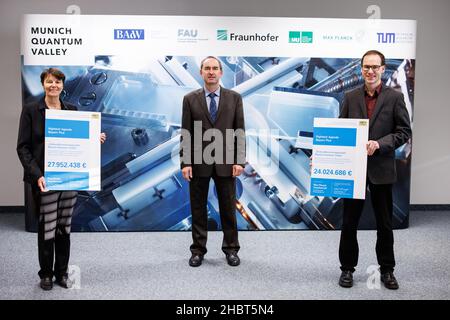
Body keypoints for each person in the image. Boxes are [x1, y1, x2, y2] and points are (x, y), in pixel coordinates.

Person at [17, 68, 106, 290]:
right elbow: (23, 148)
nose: (53, 85)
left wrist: (94, 139)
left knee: (63, 228)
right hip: (45, 180)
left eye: (57, 82)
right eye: (49, 82)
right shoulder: (31, 110)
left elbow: (79, 143)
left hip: (69, 178)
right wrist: (37, 175)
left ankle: (62, 273)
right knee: (47, 227)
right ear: (43, 84)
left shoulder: (71, 110)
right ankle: (46, 274)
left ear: (63, 85)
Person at [337, 50, 411, 289]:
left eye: (374, 67)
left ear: (382, 69)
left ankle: (387, 270)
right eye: (366, 67)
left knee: (384, 223)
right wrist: (322, 157)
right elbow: (339, 134)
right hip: (353, 171)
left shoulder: (394, 98)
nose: (370, 71)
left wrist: (380, 144)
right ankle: (347, 269)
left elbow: (404, 132)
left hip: (381, 168)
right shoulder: (350, 97)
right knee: (349, 222)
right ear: (361, 69)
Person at [180, 56, 246, 267]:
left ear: (221, 72)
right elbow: (186, 132)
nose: (211, 72)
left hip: (226, 161)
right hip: (199, 161)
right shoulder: (190, 99)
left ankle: (231, 249)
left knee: (228, 207)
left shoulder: (234, 98)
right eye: (207, 68)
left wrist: (239, 161)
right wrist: (186, 162)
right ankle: (198, 250)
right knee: (198, 207)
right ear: (201, 72)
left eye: (215, 68)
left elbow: (240, 132)